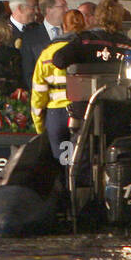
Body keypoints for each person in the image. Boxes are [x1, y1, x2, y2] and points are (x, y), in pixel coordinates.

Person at [31, 8, 88, 165]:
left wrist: (39, 125)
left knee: (63, 162)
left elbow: (38, 93)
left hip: (57, 116)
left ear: (63, 26)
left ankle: (66, 186)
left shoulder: (46, 54)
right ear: (84, 25)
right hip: (84, 112)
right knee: (83, 161)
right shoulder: (88, 50)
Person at [19, 0, 68, 86]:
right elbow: (28, 73)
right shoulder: (30, 37)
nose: (67, 9)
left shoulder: (72, 35)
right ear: (49, 10)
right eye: (62, 6)